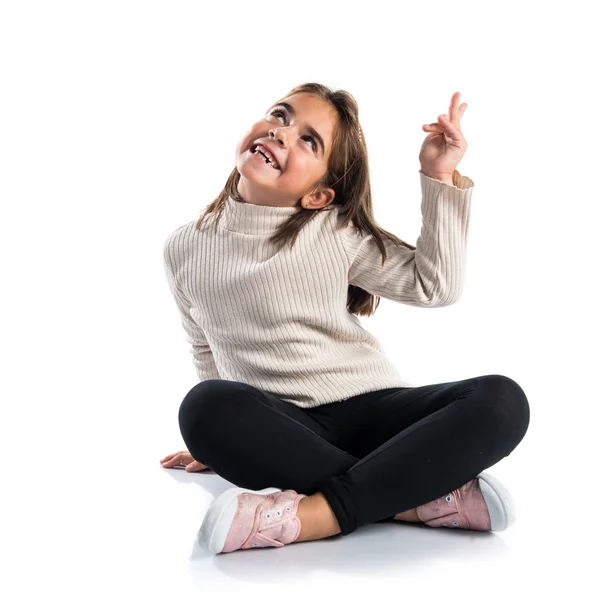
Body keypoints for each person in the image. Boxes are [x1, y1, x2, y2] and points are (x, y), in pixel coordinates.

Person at [160, 83, 530, 555]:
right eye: (280, 115)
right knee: (203, 406)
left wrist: (439, 174)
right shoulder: (184, 247)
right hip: (284, 429)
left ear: (318, 195)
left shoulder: (335, 232)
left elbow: (434, 285)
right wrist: (212, 445)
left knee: (501, 400)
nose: (281, 133)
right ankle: (416, 498)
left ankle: (319, 516)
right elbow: (203, 345)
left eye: (308, 140)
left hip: (373, 410)